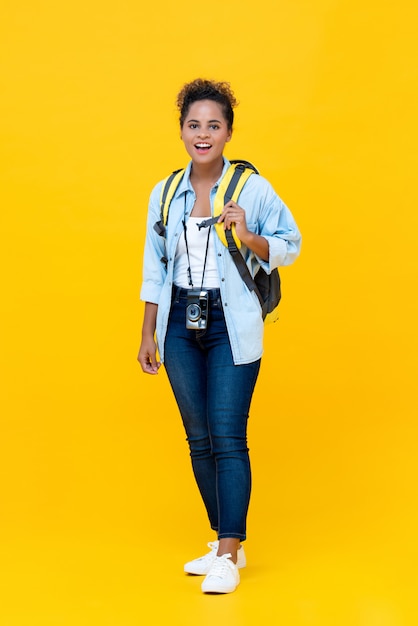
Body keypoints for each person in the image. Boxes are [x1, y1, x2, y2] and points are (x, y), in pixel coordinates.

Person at [137, 78, 301, 594]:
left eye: (214, 125)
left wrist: (247, 233)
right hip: (179, 321)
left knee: (228, 435)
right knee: (198, 437)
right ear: (182, 131)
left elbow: (290, 245)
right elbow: (155, 267)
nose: (203, 134)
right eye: (194, 124)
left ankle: (229, 550)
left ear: (229, 132)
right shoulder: (164, 193)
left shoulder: (251, 188)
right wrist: (148, 332)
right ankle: (225, 539)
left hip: (231, 321)